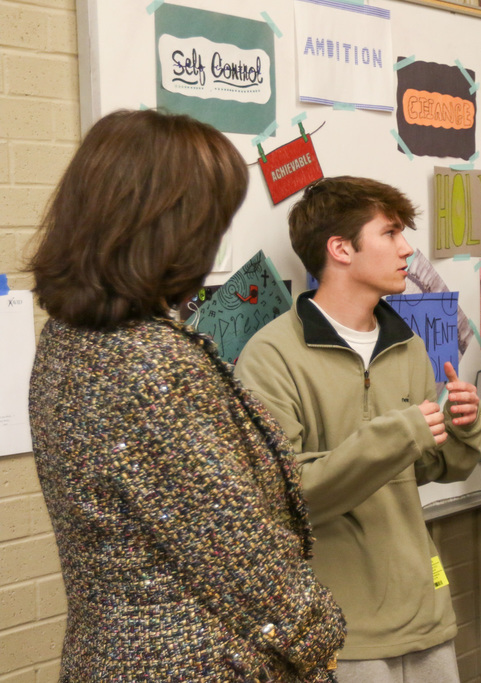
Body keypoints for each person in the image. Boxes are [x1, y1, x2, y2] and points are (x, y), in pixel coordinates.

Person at [27, 109, 346, 682]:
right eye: (209, 220)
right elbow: (236, 547)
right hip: (198, 663)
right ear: (162, 224)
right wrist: (317, 636)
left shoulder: (67, 341)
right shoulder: (151, 362)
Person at [234, 176, 481, 681]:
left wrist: (462, 426)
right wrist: (401, 433)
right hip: (340, 626)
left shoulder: (406, 343)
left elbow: (436, 467)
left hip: (424, 612)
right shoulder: (271, 357)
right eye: (390, 233)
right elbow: (289, 499)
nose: (407, 249)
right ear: (340, 248)